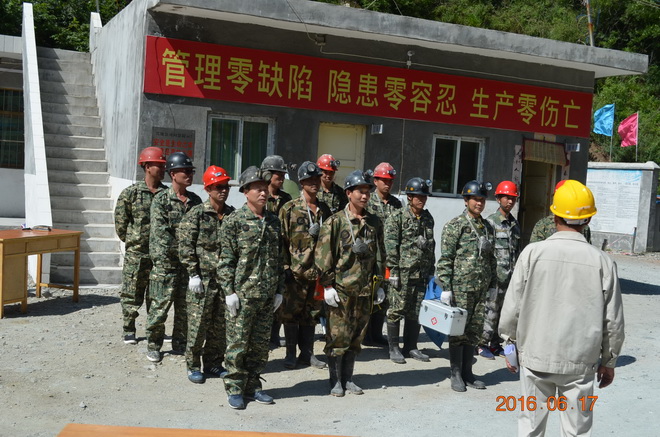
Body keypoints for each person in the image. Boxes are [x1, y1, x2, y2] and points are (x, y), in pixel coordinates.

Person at [499, 180, 625, 436]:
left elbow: (512, 307)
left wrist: (509, 346)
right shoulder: (603, 262)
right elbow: (613, 320)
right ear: (588, 220)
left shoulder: (532, 253)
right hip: (580, 363)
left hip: (536, 358)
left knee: (530, 427)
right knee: (577, 430)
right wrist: (609, 360)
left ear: (554, 215)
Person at [218, 166, 284, 410]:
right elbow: (226, 260)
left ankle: (253, 386)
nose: (263, 193)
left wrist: (279, 290)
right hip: (243, 295)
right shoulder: (234, 221)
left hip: (266, 296)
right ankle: (235, 388)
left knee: (259, 345)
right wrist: (229, 292)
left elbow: (279, 259)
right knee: (237, 345)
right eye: (257, 189)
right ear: (245, 192)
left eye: (265, 188)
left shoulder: (274, 222)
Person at [315, 169, 386, 397]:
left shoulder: (374, 222)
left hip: (364, 291)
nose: (364, 196)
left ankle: (348, 378)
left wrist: (380, 284)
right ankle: (335, 380)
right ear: (348, 193)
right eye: (359, 191)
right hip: (341, 291)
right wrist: (327, 286)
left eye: (367, 192)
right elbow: (323, 255)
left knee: (356, 338)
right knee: (338, 337)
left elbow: (380, 255)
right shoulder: (335, 222)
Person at [435, 180, 496, 392]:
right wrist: (446, 286)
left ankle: (468, 372)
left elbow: (492, 258)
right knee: (458, 332)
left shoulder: (487, 227)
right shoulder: (455, 225)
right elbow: (446, 258)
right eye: (475, 199)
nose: (479, 203)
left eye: (482, 200)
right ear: (466, 200)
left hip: (480, 287)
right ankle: (455, 373)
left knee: (474, 331)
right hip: (460, 288)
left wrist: (492, 284)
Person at [178, 166, 235, 384]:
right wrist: (193, 273)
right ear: (208, 189)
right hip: (202, 280)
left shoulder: (232, 215)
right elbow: (186, 246)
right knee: (197, 324)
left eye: (226, 186)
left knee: (220, 325)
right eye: (218, 187)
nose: (223, 191)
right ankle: (193, 365)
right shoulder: (196, 214)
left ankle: (213, 362)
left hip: (224, 280)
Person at [145, 152, 202, 363]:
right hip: (166, 265)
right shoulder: (161, 200)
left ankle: (180, 342)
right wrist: (186, 251)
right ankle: (154, 345)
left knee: (185, 308)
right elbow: (162, 236)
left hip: (188, 267)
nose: (189, 175)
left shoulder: (196, 201)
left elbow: (201, 233)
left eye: (191, 171)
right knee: (159, 308)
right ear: (172, 174)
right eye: (185, 171)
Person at [278, 161, 332, 370]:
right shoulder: (289, 209)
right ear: (301, 182)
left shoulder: (324, 210)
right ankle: (290, 353)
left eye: (316, 179)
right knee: (291, 314)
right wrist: (284, 268)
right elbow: (281, 241)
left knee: (311, 315)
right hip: (295, 273)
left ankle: (307, 353)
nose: (314, 183)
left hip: (317, 273)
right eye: (309, 180)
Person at [114, 146, 167, 345]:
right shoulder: (131, 193)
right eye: (159, 165)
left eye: (164, 165)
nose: (163, 169)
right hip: (137, 253)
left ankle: (154, 331)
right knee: (131, 292)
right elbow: (121, 224)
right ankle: (129, 329)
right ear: (146, 166)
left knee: (157, 295)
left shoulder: (166, 195)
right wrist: (134, 241)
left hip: (159, 255)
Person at [385, 177, 435, 364]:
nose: (422, 200)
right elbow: (391, 246)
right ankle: (394, 348)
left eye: (424, 196)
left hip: (421, 273)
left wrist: (431, 270)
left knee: (415, 311)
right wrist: (394, 271)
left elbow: (431, 245)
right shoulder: (397, 217)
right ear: (409, 197)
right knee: (396, 309)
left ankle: (411, 346)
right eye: (418, 196)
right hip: (403, 273)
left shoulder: (427, 218)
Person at [479, 180, 521, 359]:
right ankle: (481, 344)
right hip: (495, 278)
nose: (510, 201)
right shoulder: (491, 222)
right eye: (506, 197)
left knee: (504, 313)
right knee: (490, 311)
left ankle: (496, 344)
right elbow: (485, 252)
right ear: (498, 199)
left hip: (509, 278)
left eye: (513, 198)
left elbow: (516, 251)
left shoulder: (514, 224)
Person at [364, 162, 402, 347]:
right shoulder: (368, 200)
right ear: (375, 181)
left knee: (384, 295)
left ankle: (377, 334)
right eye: (384, 180)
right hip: (371, 254)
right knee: (368, 292)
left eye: (390, 181)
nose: (388, 184)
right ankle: (365, 334)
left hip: (390, 256)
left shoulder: (396, 203)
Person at [261, 155, 293, 349]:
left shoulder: (286, 199)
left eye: (282, 174)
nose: (281, 178)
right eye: (277, 174)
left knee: (280, 296)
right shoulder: (259, 195)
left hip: (281, 252)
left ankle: (274, 334)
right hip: (263, 252)